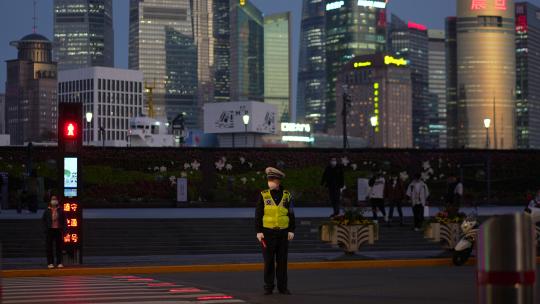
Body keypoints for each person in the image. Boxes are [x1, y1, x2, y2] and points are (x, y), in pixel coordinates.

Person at [255, 167, 295, 295]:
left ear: (278, 181)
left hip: (283, 233)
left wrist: (291, 230)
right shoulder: (263, 194)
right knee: (269, 261)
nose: (270, 182)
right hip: (267, 233)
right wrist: (258, 231)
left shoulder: (287, 195)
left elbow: (291, 214)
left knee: (282, 261)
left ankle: (283, 287)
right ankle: (268, 286)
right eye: (269, 179)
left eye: (272, 179)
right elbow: (258, 214)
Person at [42, 196, 65, 269]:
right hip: (50, 230)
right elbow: (43, 220)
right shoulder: (47, 210)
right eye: (53, 199)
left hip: (58, 230)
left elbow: (64, 220)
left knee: (59, 247)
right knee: (49, 247)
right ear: (50, 201)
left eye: (55, 199)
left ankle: (59, 263)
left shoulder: (60, 210)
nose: (54, 201)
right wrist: (45, 229)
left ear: (57, 201)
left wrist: (64, 229)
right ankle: (50, 263)